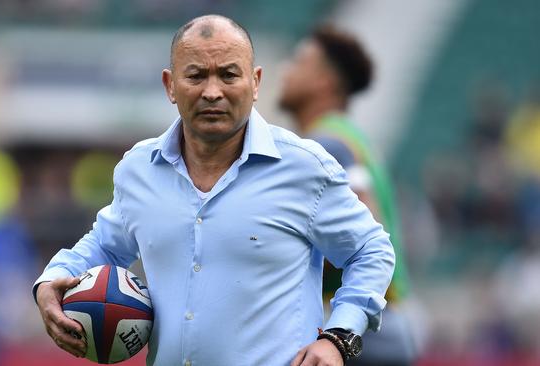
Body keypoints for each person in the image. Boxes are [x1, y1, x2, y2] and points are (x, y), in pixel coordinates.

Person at [34, 15, 395, 366]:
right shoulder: (139, 169)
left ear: (255, 83)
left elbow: (371, 250)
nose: (212, 91)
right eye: (196, 75)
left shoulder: (304, 166)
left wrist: (339, 337)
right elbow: (104, 245)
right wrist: (51, 279)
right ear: (170, 85)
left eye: (228, 74)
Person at [279, 25, 416, 365]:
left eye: (298, 62)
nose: (285, 70)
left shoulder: (325, 145)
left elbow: (364, 231)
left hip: (353, 335)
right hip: (385, 328)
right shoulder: (348, 137)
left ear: (324, 82)